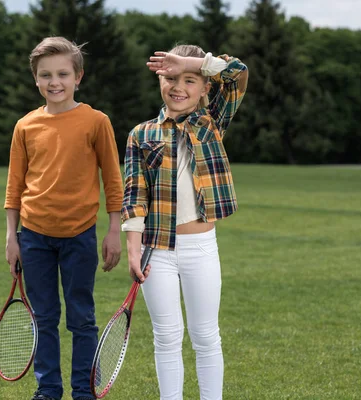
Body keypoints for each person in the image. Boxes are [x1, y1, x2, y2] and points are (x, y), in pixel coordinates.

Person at [121, 45, 249, 400]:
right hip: (155, 251)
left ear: (205, 86)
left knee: (206, 335)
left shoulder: (212, 122)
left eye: (189, 79)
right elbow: (134, 196)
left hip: (201, 249)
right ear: (159, 81)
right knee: (166, 336)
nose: (179, 86)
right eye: (170, 77)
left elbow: (237, 73)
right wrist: (133, 249)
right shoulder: (141, 134)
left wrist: (195, 63)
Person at [4, 36, 124, 400]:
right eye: (46, 75)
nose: (54, 82)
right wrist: (12, 237)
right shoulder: (25, 126)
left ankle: (84, 391)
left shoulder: (95, 121)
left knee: (82, 318)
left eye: (62, 74)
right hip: (34, 236)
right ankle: (48, 390)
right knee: (43, 318)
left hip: (80, 236)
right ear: (36, 80)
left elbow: (113, 179)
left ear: (78, 77)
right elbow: (14, 186)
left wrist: (114, 230)